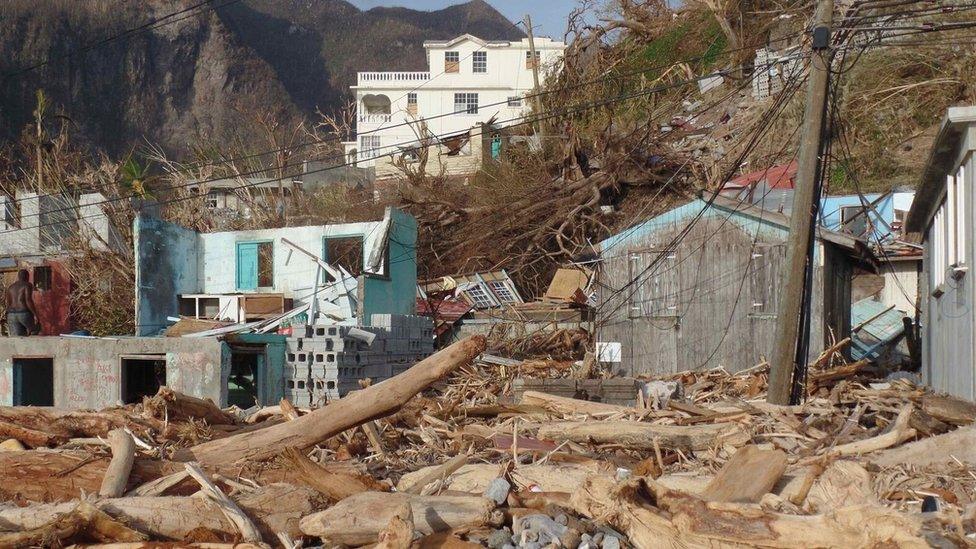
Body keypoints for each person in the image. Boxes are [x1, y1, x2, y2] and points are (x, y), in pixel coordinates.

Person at [4, 270, 39, 336]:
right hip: (23, 313)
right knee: (35, 330)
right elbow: (28, 300)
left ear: (18, 276)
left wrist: (7, 314)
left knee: (16, 338)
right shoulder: (27, 285)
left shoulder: (10, 287)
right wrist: (35, 314)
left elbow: (8, 303)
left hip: (11, 314)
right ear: (27, 276)